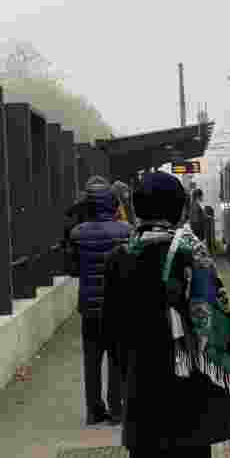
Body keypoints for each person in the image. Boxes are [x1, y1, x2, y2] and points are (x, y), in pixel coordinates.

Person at [103, 172, 230, 458]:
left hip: (144, 400)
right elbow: (220, 334)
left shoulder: (120, 260)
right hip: (192, 404)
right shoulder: (196, 257)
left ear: (136, 209)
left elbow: (112, 335)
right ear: (181, 211)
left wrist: (127, 381)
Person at [70, 175, 131, 425]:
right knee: (117, 359)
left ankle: (94, 410)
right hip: (117, 307)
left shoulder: (78, 234)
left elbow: (73, 269)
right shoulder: (125, 231)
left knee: (91, 361)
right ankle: (117, 410)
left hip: (89, 308)